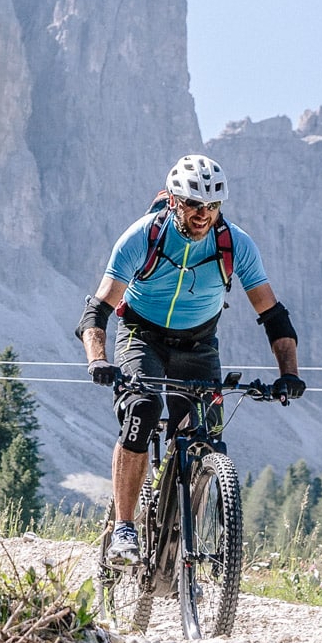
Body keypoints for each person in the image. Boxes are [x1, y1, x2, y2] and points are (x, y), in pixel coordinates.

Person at [77, 154, 305, 567]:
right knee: (143, 409)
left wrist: (289, 374)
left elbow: (273, 315)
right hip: (141, 337)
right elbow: (97, 311)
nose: (204, 215)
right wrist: (98, 359)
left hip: (199, 346)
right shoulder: (142, 237)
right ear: (174, 202)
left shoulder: (235, 244)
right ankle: (125, 528)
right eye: (194, 204)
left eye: (212, 206)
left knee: (205, 437)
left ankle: (184, 542)